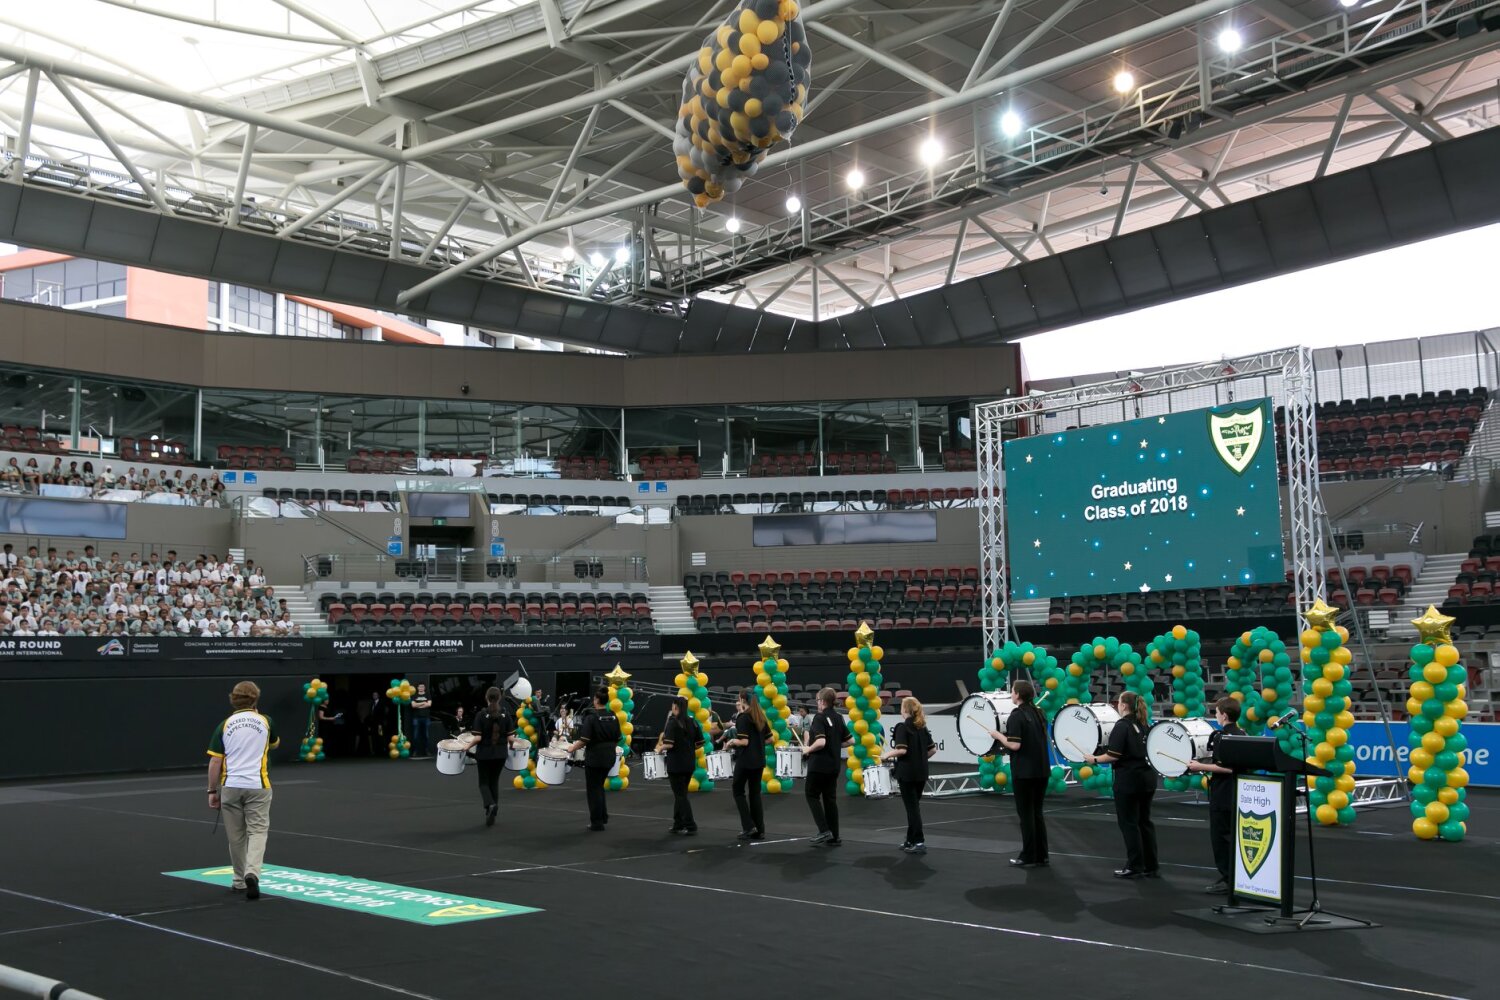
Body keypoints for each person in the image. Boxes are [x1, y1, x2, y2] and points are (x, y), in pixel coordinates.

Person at [205, 681, 278, 900]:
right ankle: (252, 872)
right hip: (258, 785)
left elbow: (215, 762)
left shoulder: (225, 724)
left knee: (236, 837)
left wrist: (211, 791)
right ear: (255, 699)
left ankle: (238, 881)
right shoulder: (266, 721)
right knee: (257, 831)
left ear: (233, 699)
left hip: (231, 786)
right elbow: (274, 744)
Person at [1084, 690, 1159, 879]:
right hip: (1147, 778)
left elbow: (1113, 755)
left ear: (1124, 705)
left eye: (1119, 703)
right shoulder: (1144, 724)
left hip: (1129, 780)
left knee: (1129, 823)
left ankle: (1135, 865)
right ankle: (1151, 865)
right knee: (1144, 822)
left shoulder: (1122, 725)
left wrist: (1094, 759)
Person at [987, 680, 1051, 868]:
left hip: (1024, 772)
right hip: (1041, 770)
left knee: (1026, 815)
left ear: (1018, 695)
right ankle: (1042, 855)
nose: (1011, 694)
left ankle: (1028, 855)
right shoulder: (1040, 713)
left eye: (1012, 691)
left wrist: (998, 735)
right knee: (1037, 813)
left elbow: (1015, 745)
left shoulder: (1016, 715)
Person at [1187, 696, 1243, 893]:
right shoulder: (1242, 734)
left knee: (1221, 839)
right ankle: (1236, 877)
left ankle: (1229, 879)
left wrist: (1199, 766)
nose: (1216, 716)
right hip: (1238, 793)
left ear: (1225, 715)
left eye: (1217, 713)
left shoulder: (1222, 737)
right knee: (1234, 838)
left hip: (1223, 795)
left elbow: (1227, 768)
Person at [566, 687, 621, 831]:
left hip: (595, 757)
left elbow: (584, 740)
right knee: (599, 787)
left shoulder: (592, 717)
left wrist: (571, 748)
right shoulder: (614, 716)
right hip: (609, 756)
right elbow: (618, 738)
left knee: (593, 789)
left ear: (596, 700)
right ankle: (602, 817)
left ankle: (597, 822)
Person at [887, 696, 936, 854]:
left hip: (907, 773)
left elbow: (902, 750)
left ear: (906, 710)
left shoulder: (902, 727)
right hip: (921, 772)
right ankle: (910, 840)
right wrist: (920, 759)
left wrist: (886, 755)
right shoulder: (921, 726)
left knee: (912, 808)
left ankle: (919, 841)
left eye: (902, 707)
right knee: (913, 806)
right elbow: (933, 749)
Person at [802, 687, 851, 846]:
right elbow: (851, 741)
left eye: (817, 700)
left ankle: (824, 830)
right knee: (830, 799)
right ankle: (834, 836)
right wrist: (835, 745)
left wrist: (807, 749)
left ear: (822, 701)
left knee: (811, 794)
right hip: (834, 765)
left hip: (819, 765)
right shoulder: (838, 717)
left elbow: (821, 742)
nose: (817, 703)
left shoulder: (819, 717)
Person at [727, 689, 772, 841]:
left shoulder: (743, 718)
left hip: (745, 760)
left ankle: (748, 826)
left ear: (742, 699)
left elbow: (744, 741)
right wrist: (757, 744)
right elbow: (770, 739)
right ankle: (760, 830)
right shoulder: (759, 716)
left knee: (738, 790)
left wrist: (731, 742)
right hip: (759, 760)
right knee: (755, 794)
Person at [468, 686, 516, 827]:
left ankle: (490, 805)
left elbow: (477, 738)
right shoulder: (505, 714)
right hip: (501, 754)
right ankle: (492, 813)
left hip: (484, 753)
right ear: (499, 698)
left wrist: (465, 747)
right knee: (494, 782)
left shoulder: (481, 715)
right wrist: (512, 747)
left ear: (486, 698)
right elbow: (511, 738)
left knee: (483, 783)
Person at [657, 696, 703, 836]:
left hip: (676, 764)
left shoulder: (673, 722)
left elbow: (669, 744)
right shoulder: (693, 721)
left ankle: (690, 825)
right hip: (689, 763)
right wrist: (687, 749)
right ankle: (678, 823)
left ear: (675, 707)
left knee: (680, 795)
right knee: (681, 794)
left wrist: (659, 749)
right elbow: (700, 742)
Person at [411, 683, 433, 757]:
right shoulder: (414, 695)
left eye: (422, 686)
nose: (421, 688)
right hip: (416, 718)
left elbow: (429, 704)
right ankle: (415, 751)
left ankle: (427, 751)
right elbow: (413, 705)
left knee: (426, 735)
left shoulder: (427, 695)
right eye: (420, 686)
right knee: (415, 736)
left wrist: (418, 704)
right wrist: (424, 703)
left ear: (424, 688)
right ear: (417, 688)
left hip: (426, 718)